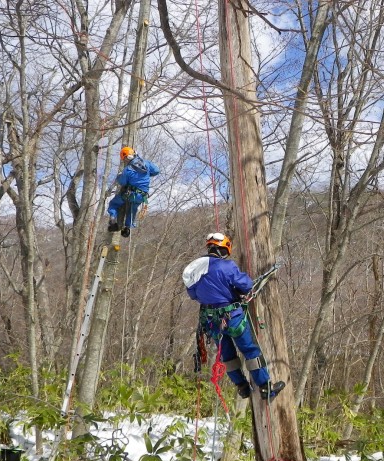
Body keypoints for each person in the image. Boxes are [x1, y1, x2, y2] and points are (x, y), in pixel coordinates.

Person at [182, 233, 286, 401]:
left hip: (212, 322)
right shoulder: (226, 266)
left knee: (228, 356)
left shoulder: (195, 269)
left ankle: (242, 387)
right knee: (250, 351)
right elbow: (246, 285)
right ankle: (266, 388)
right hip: (232, 318)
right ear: (224, 249)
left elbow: (194, 295)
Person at [107, 146, 160, 237]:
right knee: (132, 210)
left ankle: (113, 219)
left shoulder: (128, 169)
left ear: (127, 158)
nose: (125, 161)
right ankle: (127, 227)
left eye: (125, 159)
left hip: (130, 194)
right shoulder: (146, 164)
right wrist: (147, 174)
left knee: (114, 203)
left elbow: (122, 182)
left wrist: (119, 176)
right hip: (142, 196)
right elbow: (156, 171)